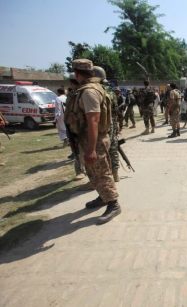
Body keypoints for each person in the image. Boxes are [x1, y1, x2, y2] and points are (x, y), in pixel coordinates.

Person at [66, 59, 121, 224]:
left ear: (77, 73)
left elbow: (93, 121)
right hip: (87, 139)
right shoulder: (86, 89)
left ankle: (113, 204)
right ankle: (103, 196)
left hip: (94, 140)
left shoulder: (89, 91)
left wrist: (91, 149)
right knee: (93, 172)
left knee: (101, 172)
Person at [93, 66, 120, 183]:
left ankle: (104, 178)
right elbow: (116, 108)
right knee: (113, 147)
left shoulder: (96, 90)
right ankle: (115, 174)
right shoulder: (111, 90)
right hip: (113, 121)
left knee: (101, 150)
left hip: (102, 124)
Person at [64, 73, 86, 180]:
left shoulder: (84, 93)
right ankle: (80, 171)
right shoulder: (71, 94)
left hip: (82, 127)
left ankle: (85, 171)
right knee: (76, 149)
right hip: (72, 126)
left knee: (84, 150)